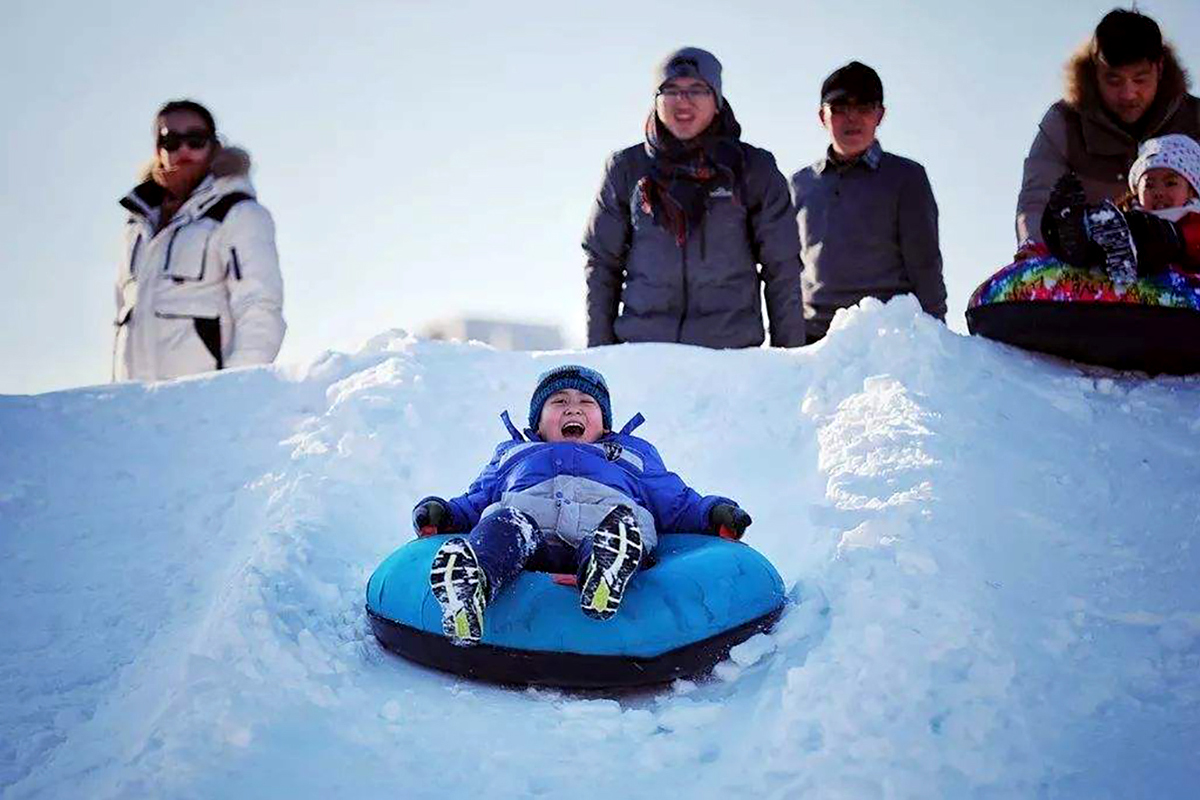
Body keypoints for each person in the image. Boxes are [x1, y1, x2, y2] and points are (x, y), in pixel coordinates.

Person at [412, 364, 753, 645]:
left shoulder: (630, 454)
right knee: (504, 524)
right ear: (537, 423)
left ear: (605, 423)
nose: (573, 407)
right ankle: (471, 586)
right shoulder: (512, 454)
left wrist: (715, 513)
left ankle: (604, 572)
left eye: (586, 402)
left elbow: (677, 502)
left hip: (603, 525)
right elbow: (475, 502)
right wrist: (443, 513)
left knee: (618, 529)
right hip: (532, 535)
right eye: (558, 402)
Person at [583, 47, 805, 349]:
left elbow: (782, 267)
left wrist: (788, 360)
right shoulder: (626, 169)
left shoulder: (753, 168)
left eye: (697, 89)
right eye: (670, 89)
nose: (682, 100)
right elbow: (601, 264)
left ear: (717, 101)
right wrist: (599, 358)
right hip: (643, 355)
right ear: (656, 101)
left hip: (731, 357)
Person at [114, 100, 285, 381]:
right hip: (135, 405)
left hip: (203, 404)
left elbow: (260, 306)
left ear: (213, 145)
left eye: (195, 140)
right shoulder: (137, 226)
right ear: (158, 150)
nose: (183, 150)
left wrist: (236, 389)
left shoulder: (238, 214)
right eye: (171, 141)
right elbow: (122, 313)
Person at [1015, 8, 1200, 248]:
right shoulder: (1064, 124)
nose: (1128, 94)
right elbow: (1037, 199)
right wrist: (1035, 249)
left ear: (1160, 68)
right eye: (1114, 80)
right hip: (1096, 272)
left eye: (1140, 79)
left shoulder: (1194, 119)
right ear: (1095, 72)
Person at [790, 61, 946, 342]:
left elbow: (925, 264)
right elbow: (786, 269)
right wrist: (786, 339)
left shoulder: (906, 178)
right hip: (813, 339)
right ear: (822, 116)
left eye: (864, 107)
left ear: (880, 114)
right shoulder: (799, 185)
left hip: (887, 337)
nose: (852, 118)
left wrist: (936, 334)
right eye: (839, 108)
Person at [1042, 133, 1200, 276]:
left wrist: (1176, 240)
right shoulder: (1126, 215)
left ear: (1191, 191)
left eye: (1170, 183)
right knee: (1106, 225)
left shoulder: (1194, 219)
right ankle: (1073, 235)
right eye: (1149, 185)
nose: (1158, 192)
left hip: (1172, 264)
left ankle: (1125, 252)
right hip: (1121, 257)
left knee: (1155, 234)